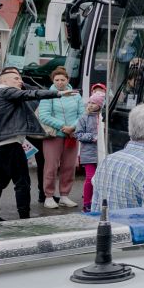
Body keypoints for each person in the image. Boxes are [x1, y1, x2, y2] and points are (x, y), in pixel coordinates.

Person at [0, 67, 61, 221]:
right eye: (16, 79)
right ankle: (24, 217)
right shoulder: (5, 91)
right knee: (22, 182)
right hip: (10, 143)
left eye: (20, 78)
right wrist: (57, 93)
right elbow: (29, 94)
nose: (20, 81)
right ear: (4, 81)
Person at [35, 66, 85, 208]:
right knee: (51, 166)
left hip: (72, 135)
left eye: (62, 79)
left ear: (67, 80)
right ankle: (49, 196)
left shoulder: (76, 95)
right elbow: (44, 116)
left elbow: (82, 114)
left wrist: (73, 127)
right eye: (57, 80)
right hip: (54, 135)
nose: (60, 82)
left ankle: (64, 195)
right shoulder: (48, 94)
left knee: (69, 166)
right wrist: (64, 127)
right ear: (53, 80)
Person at [78, 84, 106, 212]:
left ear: (100, 105)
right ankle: (87, 203)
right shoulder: (84, 118)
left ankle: (99, 201)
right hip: (88, 154)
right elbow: (78, 134)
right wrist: (93, 137)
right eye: (89, 102)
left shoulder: (103, 119)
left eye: (94, 103)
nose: (90, 105)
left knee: (101, 179)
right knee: (90, 178)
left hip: (101, 154)